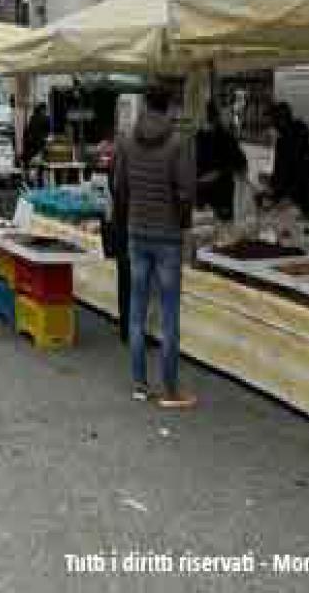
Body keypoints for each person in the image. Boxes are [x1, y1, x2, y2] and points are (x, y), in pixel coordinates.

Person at [111, 84, 196, 409]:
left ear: (146, 104)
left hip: (137, 231)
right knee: (170, 313)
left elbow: (119, 187)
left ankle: (139, 383)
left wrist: (128, 216)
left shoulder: (127, 141)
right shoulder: (178, 143)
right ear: (170, 106)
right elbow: (186, 191)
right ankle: (170, 389)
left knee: (136, 310)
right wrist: (183, 222)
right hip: (168, 236)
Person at [196, 101, 247, 222]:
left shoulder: (225, 137)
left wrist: (219, 173)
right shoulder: (197, 137)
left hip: (221, 195)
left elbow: (241, 163)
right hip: (202, 195)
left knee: (224, 232)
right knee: (202, 230)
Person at [270, 102, 309, 217]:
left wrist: (287, 197)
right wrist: (272, 184)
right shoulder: (284, 140)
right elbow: (281, 171)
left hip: (295, 204)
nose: (273, 126)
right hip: (287, 200)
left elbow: (304, 175)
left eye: (274, 122)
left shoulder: (295, 142)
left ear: (281, 121)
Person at [22, 102, 50, 169]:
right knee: (41, 158)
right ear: (43, 110)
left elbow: (29, 129)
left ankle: (29, 167)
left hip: (32, 142)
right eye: (45, 110)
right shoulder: (46, 118)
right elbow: (49, 129)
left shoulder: (32, 118)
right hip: (40, 142)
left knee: (34, 157)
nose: (45, 111)